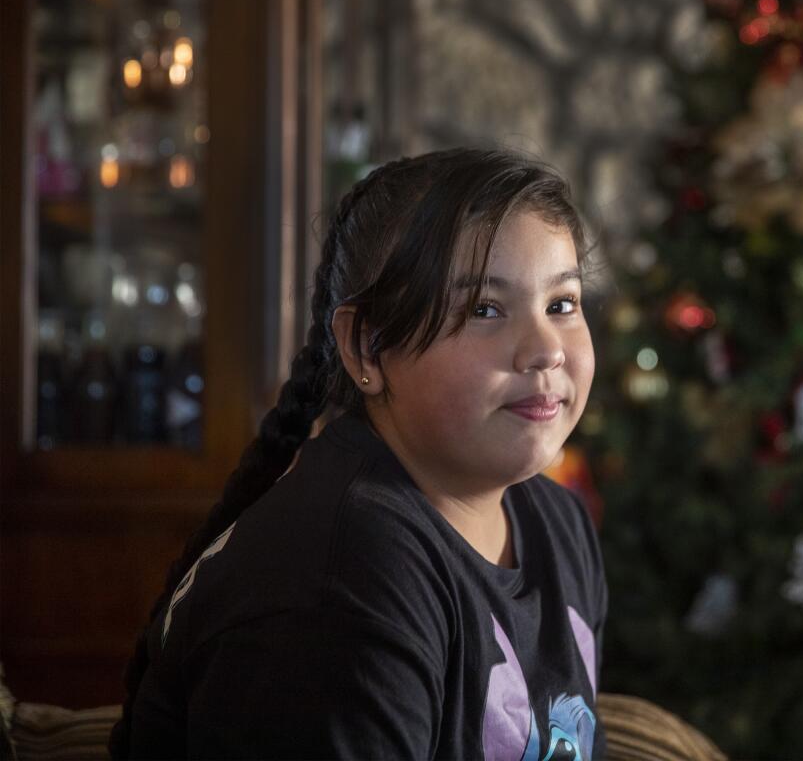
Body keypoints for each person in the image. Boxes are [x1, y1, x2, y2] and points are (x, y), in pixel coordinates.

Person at [109, 147, 608, 760]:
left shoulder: (557, 521)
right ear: (367, 348)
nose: (546, 350)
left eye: (562, 304)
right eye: (485, 309)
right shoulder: (341, 584)